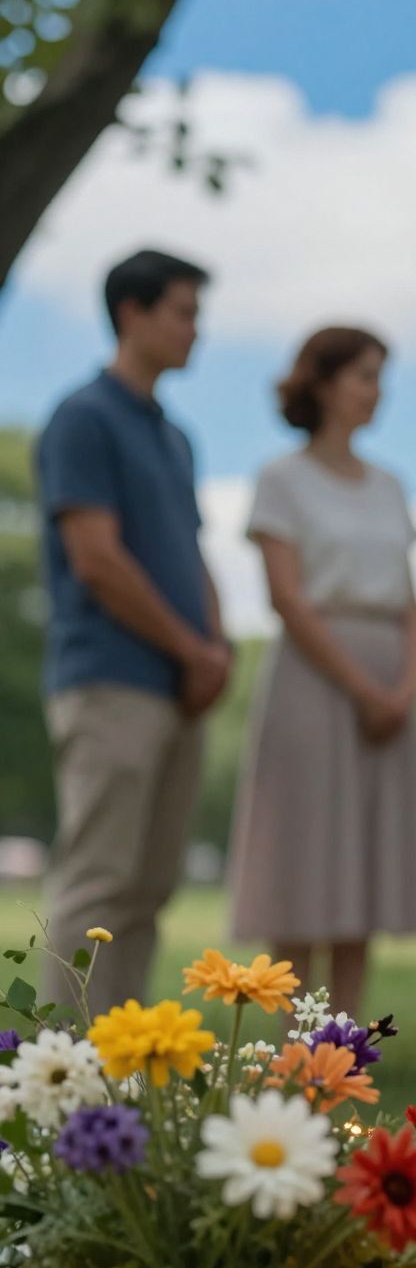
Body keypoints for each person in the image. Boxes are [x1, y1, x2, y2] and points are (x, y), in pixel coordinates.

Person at [36, 249, 232, 1014]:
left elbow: (191, 552)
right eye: (183, 312)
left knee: (148, 890)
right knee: (99, 884)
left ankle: (118, 1075)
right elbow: (97, 558)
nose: (196, 331)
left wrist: (214, 650)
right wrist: (192, 651)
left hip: (179, 689)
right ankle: (64, 1083)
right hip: (111, 679)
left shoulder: (174, 436)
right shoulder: (83, 418)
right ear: (132, 314)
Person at [226, 327, 416, 1015]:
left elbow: (409, 599)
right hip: (316, 681)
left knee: (361, 861)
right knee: (305, 855)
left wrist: (404, 688)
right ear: (322, 383)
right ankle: (290, 1044)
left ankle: (345, 1045)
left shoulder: (391, 485)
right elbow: (286, 595)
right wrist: (361, 687)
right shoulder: (282, 479)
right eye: (365, 376)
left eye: (382, 377)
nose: (377, 392)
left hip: (385, 679)